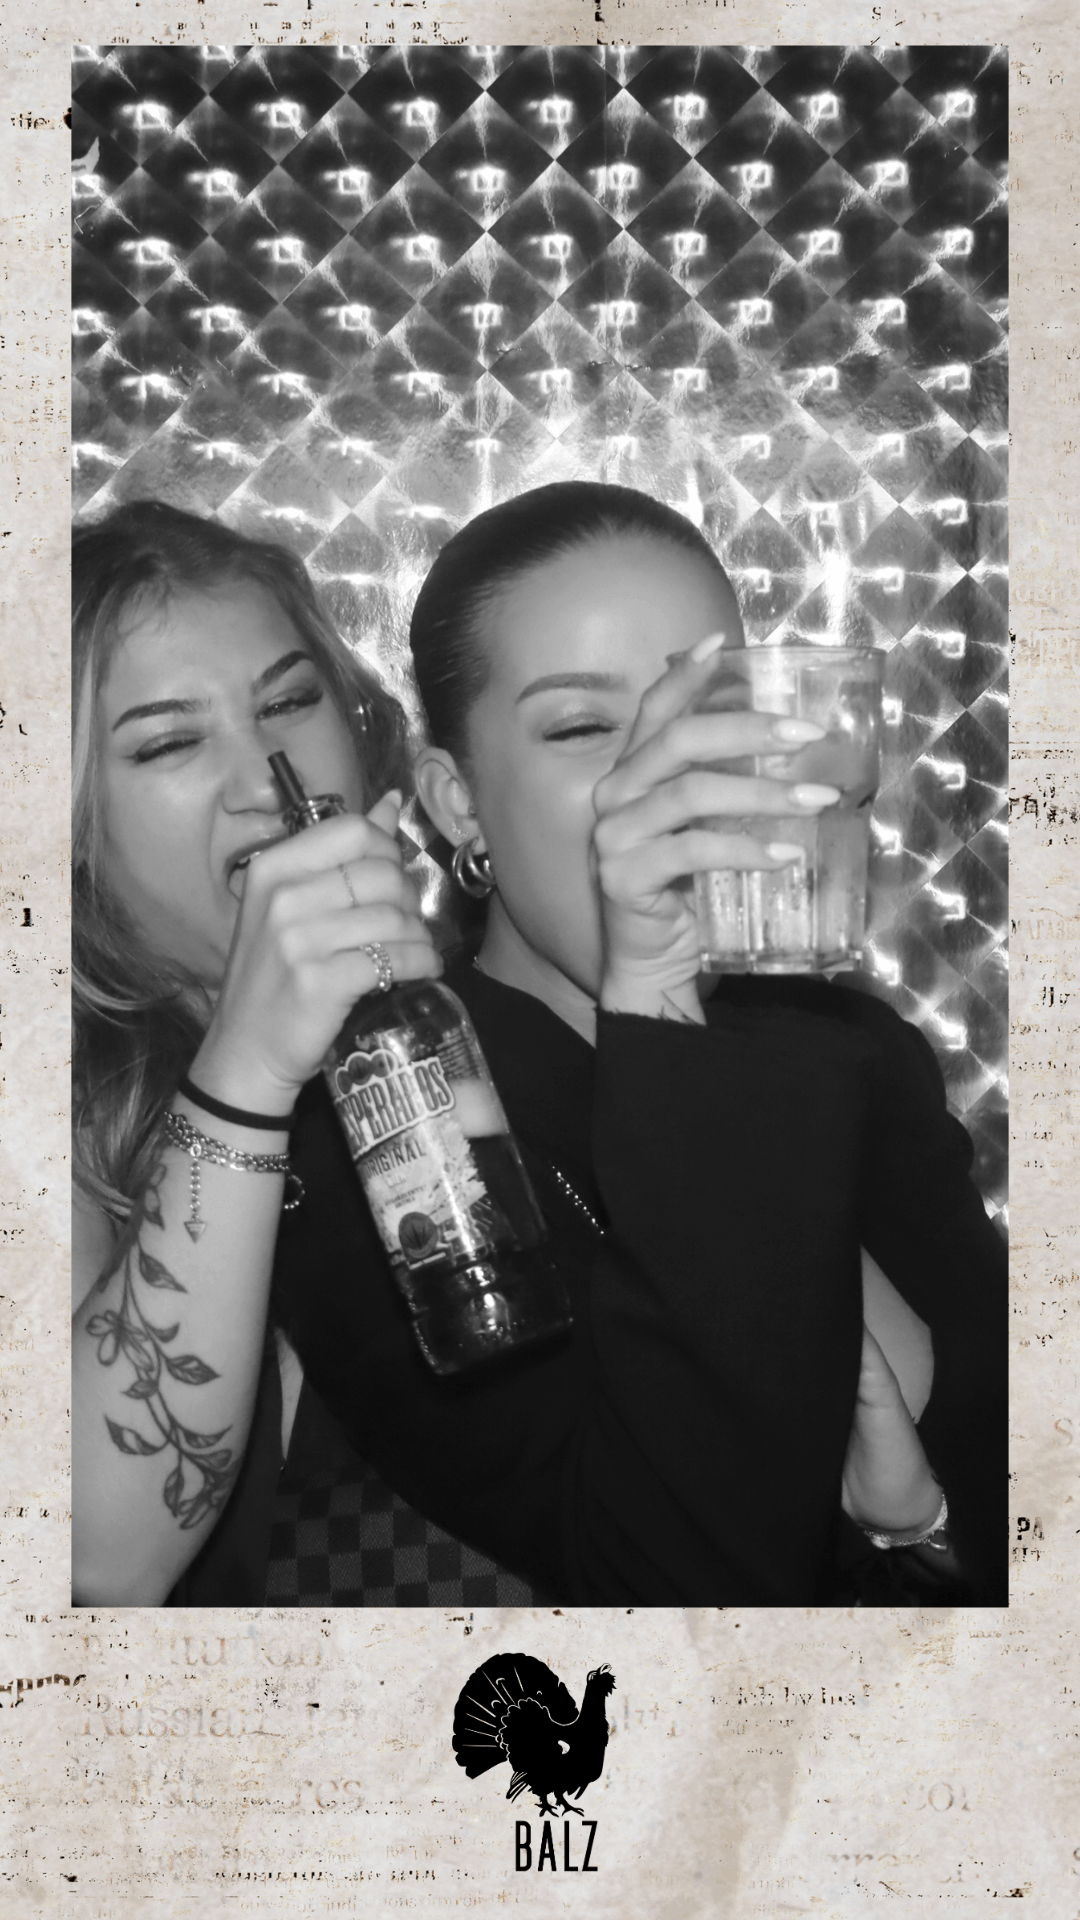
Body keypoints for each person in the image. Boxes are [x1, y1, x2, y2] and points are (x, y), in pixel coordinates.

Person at [73, 487, 1005, 1607]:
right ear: (453, 803)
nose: (668, 773)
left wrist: (929, 1526)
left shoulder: (845, 1049)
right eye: (583, 727)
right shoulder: (383, 1117)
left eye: (706, 710)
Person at [71, 500, 443, 1604]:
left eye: (288, 701)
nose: (265, 771)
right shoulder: (55, 1113)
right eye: (169, 742)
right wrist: (247, 1068)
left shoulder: (459, 1034)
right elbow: (97, 1558)